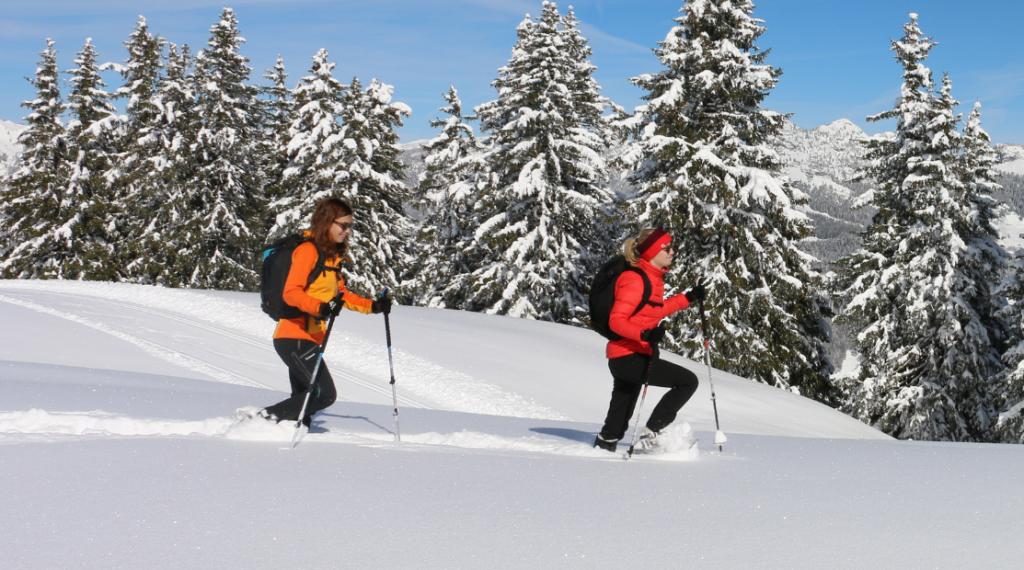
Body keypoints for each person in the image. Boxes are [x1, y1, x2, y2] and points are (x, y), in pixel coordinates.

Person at [261, 197, 392, 428]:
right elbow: (291, 293)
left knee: (302, 407)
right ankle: (258, 420)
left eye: (350, 225)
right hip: (293, 336)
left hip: (312, 337)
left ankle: (284, 436)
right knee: (324, 395)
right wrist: (320, 307)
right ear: (327, 222)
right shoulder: (307, 251)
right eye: (343, 225)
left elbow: (340, 294)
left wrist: (374, 306)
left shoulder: (330, 257)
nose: (348, 230)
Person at [594, 228, 704, 452]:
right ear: (653, 251)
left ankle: (604, 445)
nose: (672, 251)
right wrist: (643, 334)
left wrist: (688, 297)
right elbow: (617, 320)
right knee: (687, 382)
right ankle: (652, 434)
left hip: (628, 354)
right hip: (628, 355)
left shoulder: (652, 278)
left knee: (622, 405)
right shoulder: (634, 280)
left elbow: (656, 310)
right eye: (667, 247)